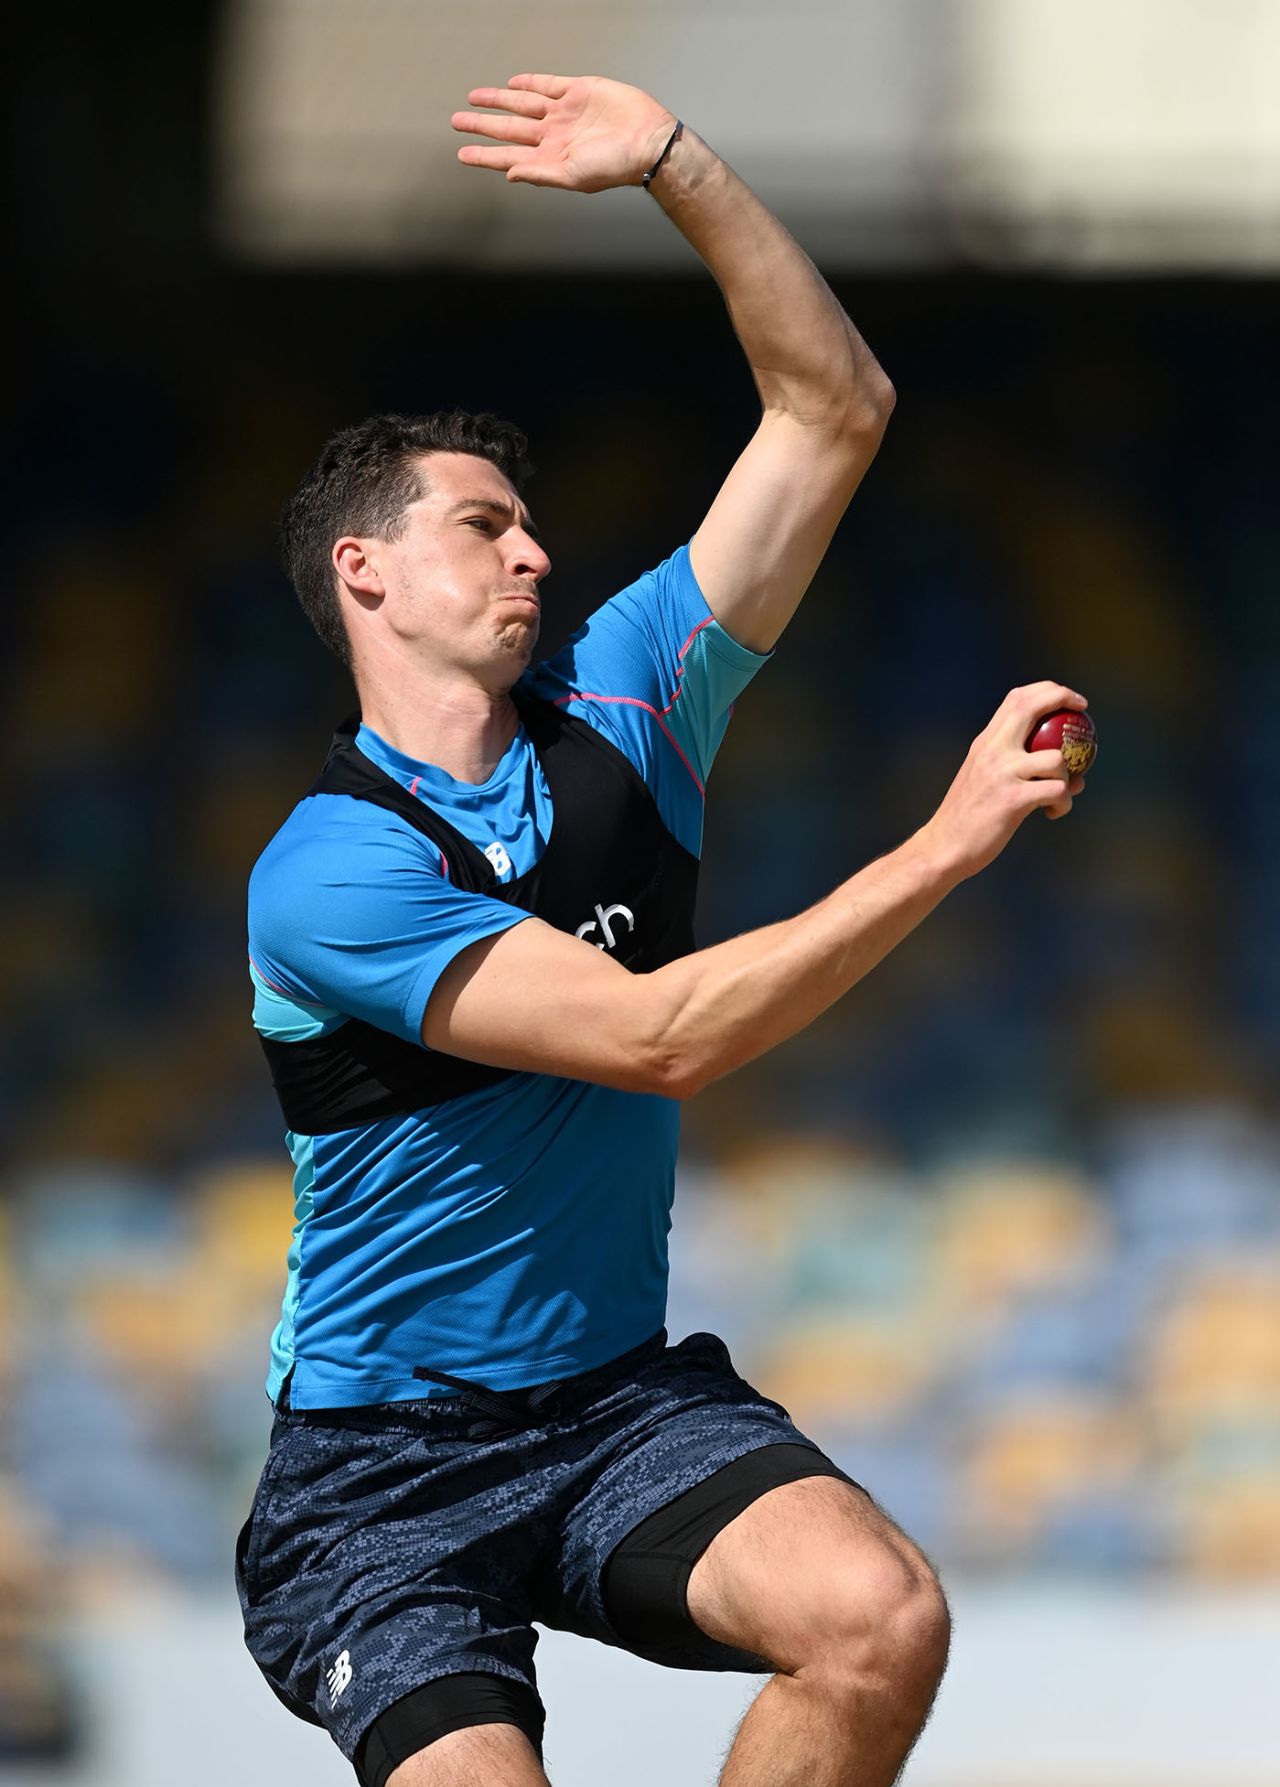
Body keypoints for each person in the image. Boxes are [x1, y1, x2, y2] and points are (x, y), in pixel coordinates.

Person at [236, 72, 1088, 1787]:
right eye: (484, 526)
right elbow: (661, 1035)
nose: (536, 553)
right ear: (364, 574)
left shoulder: (631, 698)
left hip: (616, 1403)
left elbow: (834, 409)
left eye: (534, 526)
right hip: (377, 1477)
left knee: (879, 1618)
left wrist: (680, 167)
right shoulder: (327, 875)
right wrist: (948, 840)